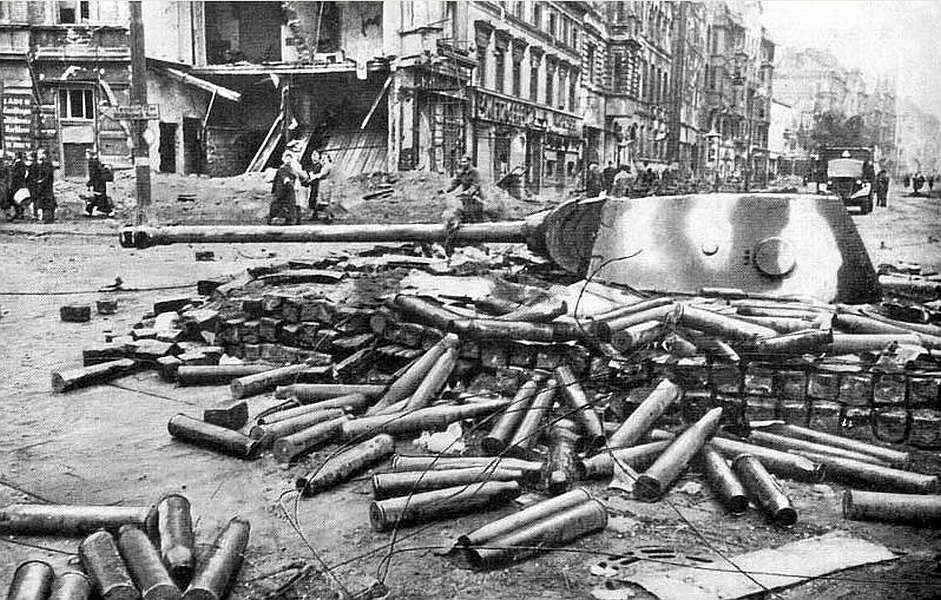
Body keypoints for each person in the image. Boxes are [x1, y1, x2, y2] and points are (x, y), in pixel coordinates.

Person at [440, 154, 485, 227]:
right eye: (462, 162)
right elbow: (455, 184)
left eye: (465, 162)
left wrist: (469, 192)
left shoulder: (475, 172)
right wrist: (445, 190)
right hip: (466, 198)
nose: (463, 164)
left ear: (470, 162)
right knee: (466, 214)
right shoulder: (461, 173)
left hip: (476, 198)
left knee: (476, 216)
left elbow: (476, 185)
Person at [268, 148, 301, 225]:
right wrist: (287, 180)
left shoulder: (293, 169)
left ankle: (290, 220)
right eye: (287, 159)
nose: (288, 160)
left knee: (290, 204)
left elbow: (297, 177)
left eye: (290, 159)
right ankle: (271, 219)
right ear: (283, 159)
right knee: (277, 204)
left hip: (289, 189)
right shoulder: (282, 169)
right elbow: (284, 177)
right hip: (281, 190)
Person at [298, 149, 330, 221]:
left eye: (315, 155)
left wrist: (313, 176)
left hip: (320, 184)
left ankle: (328, 215)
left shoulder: (322, 165)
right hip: (313, 185)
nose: (313, 157)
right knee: (313, 199)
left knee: (321, 200)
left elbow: (321, 174)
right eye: (312, 155)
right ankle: (315, 215)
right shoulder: (312, 165)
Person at [85, 149, 113, 216]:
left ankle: (90, 210)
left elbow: (93, 174)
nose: (86, 155)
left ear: (90, 155)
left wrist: (90, 183)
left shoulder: (93, 162)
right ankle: (107, 210)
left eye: (87, 154)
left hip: (98, 182)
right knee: (99, 196)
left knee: (99, 196)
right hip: (99, 182)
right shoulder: (95, 162)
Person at [33, 149, 56, 223]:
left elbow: (48, 175)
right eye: (38, 154)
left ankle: (48, 218)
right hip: (40, 186)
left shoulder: (48, 164)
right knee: (40, 201)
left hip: (47, 186)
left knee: (47, 201)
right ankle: (42, 217)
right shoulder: (38, 164)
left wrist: (41, 181)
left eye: (40, 154)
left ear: (44, 155)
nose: (38, 155)